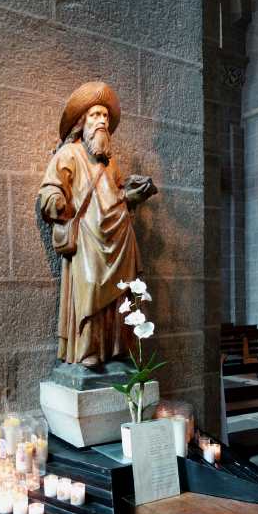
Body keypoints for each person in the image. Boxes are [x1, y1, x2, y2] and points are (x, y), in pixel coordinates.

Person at [39, 82, 156, 367]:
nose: (102, 120)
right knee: (90, 287)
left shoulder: (110, 163)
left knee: (121, 294)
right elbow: (49, 189)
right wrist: (55, 200)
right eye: (95, 115)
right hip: (90, 236)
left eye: (105, 116)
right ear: (82, 123)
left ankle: (115, 349)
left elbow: (116, 193)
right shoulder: (70, 154)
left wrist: (131, 195)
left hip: (118, 235)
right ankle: (88, 350)